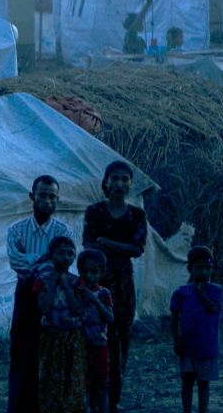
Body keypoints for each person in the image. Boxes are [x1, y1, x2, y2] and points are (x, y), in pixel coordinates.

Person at [6, 175, 74, 413]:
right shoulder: (16, 230)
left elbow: (63, 262)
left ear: (57, 200)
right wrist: (45, 259)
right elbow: (16, 261)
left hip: (54, 296)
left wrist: (33, 261)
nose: (47, 200)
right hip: (25, 296)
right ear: (32, 197)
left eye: (52, 196)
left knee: (49, 350)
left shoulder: (63, 231)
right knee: (21, 349)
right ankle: (17, 406)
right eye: (42, 195)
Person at [82, 161, 147, 411]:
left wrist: (107, 242)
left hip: (123, 284)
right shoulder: (94, 212)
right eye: (115, 178)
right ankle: (94, 394)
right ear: (106, 183)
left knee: (121, 337)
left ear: (130, 184)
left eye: (124, 179)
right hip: (97, 282)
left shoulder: (137, 215)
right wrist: (120, 247)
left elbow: (137, 249)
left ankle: (113, 398)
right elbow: (89, 245)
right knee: (95, 335)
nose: (119, 184)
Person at [33, 236, 87, 413]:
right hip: (51, 336)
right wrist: (52, 285)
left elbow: (78, 309)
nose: (65, 257)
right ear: (51, 255)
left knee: (73, 377)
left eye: (70, 253)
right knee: (51, 377)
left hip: (73, 337)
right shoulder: (43, 280)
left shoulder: (76, 281)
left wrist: (65, 286)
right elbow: (44, 309)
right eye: (60, 253)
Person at [171, 246, 223, 413]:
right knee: (187, 381)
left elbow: (213, 309)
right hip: (187, 347)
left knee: (203, 383)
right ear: (190, 269)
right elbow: (174, 317)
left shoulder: (216, 290)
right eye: (199, 267)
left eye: (208, 268)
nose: (204, 272)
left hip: (207, 347)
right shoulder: (182, 292)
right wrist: (176, 340)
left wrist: (202, 293)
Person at [76, 249, 114, 413]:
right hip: (81, 346)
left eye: (94, 272)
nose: (89, 276)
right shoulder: (76, 291)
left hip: (99, 345)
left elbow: (110, 318)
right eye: (85, 271)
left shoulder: (104, 293)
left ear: (101, 273)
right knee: (84, 386)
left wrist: (94, 299)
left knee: (101, 386)